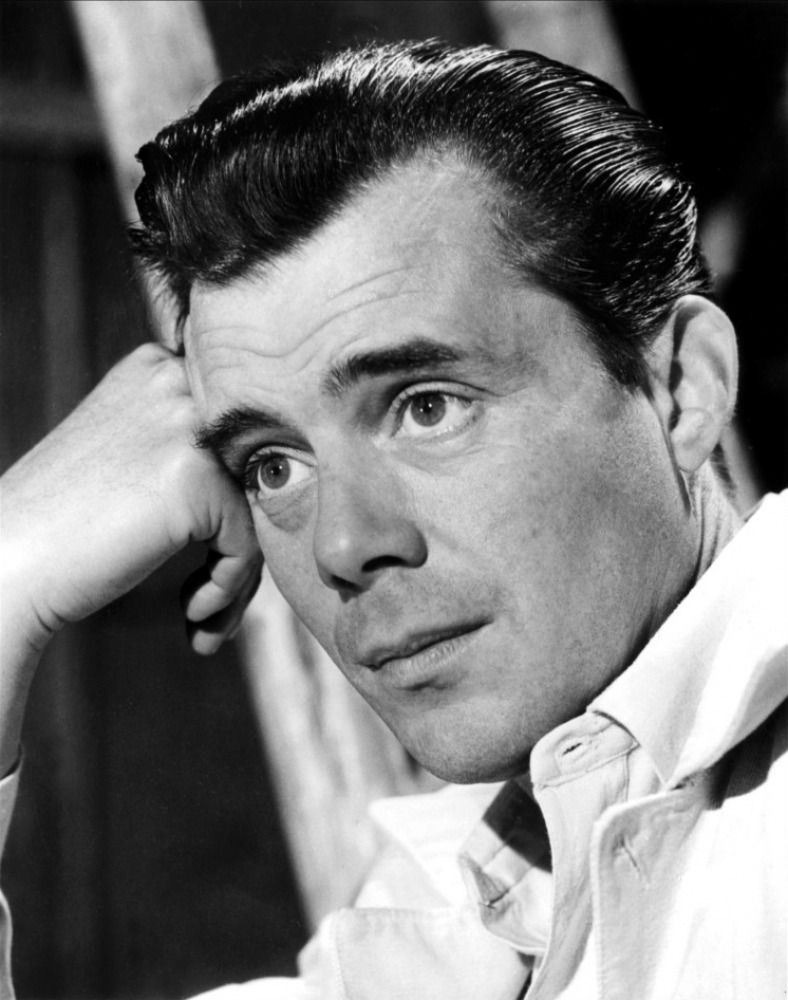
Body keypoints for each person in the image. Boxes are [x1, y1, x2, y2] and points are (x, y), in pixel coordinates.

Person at [1, 40, 785, 1000]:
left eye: (427, 406)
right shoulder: (445, 909)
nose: (342, 546)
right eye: (273, 465)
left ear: (682, 388)